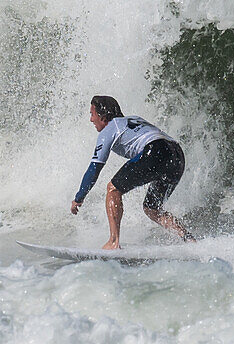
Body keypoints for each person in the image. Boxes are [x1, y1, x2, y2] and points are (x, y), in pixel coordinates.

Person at [70, 95, 195, 248]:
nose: (91, 119)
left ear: (102, 116)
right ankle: (188, 239)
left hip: (154, 151)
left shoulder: (108, 130)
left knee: (113, 189)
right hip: (176, 154)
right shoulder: (134, 119)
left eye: (92, 114)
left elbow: (94, 169)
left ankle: (113, 242)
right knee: (152, 208)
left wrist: (79, 197)